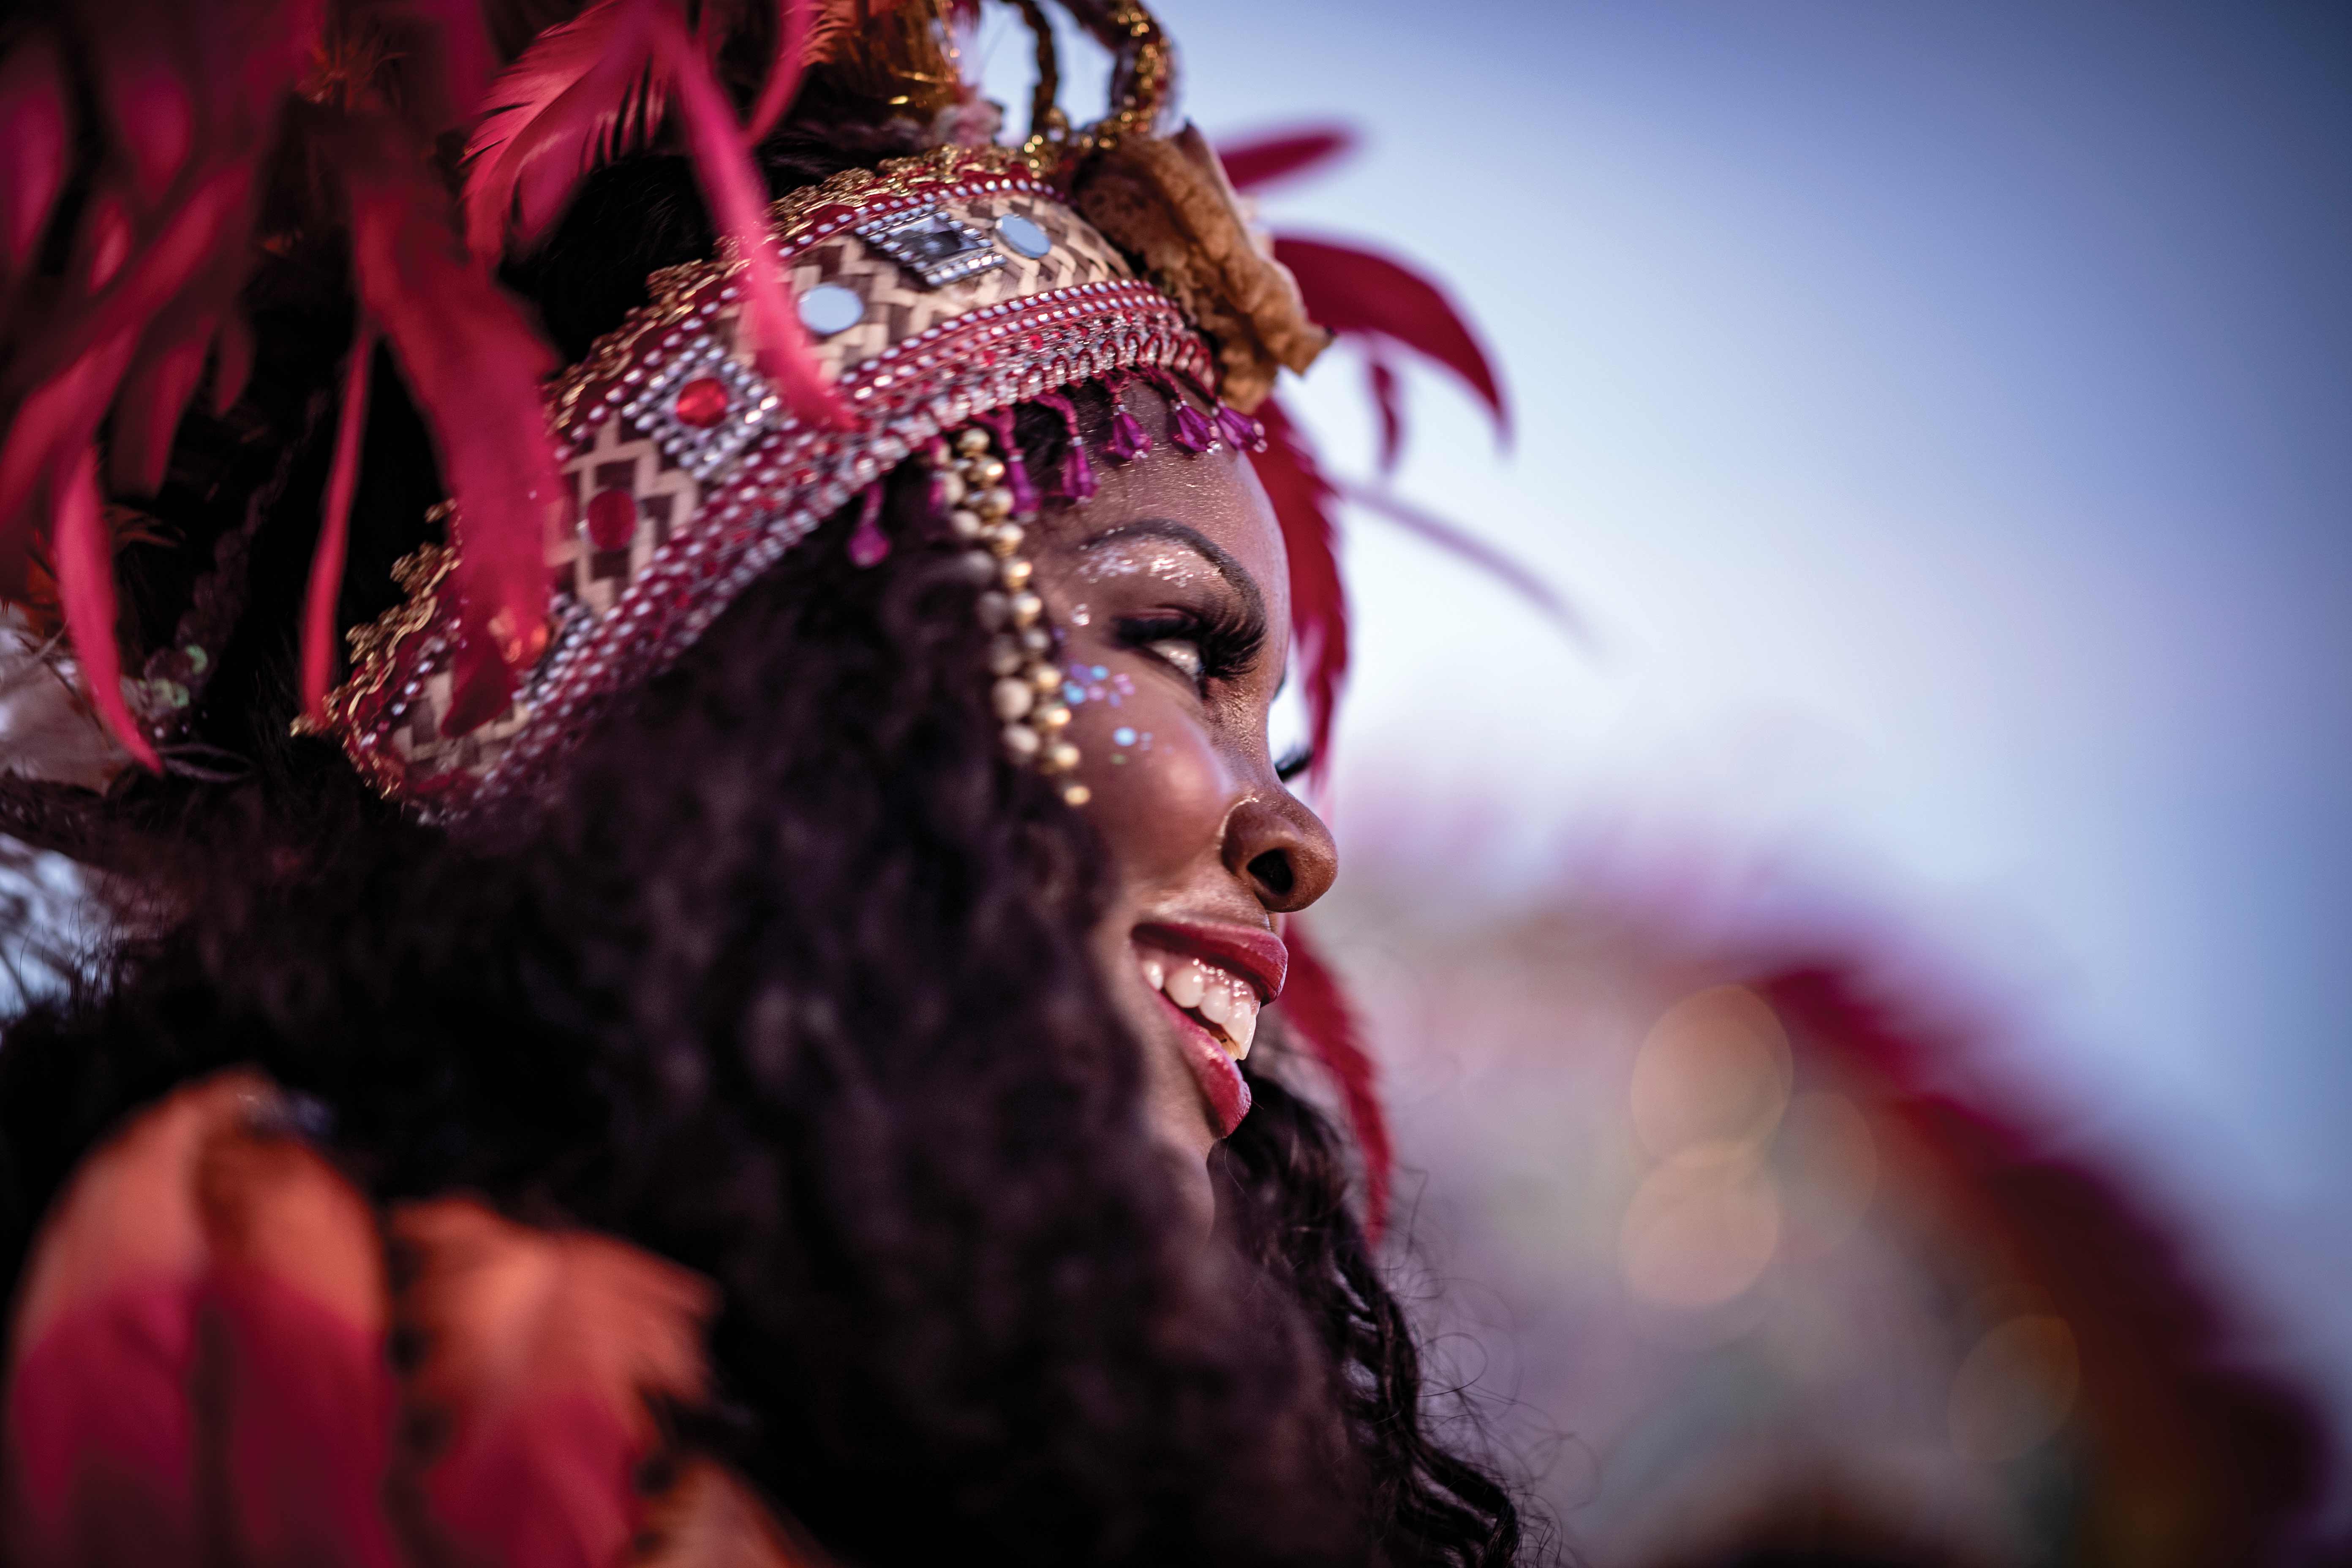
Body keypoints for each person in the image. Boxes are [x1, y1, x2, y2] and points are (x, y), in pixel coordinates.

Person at [0, 2, 1529, 1563]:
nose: (1298, 840)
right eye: (1176, 643)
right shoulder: (273, 1296)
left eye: (1273, 733)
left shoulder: (983, 1427)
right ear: (773, 678)